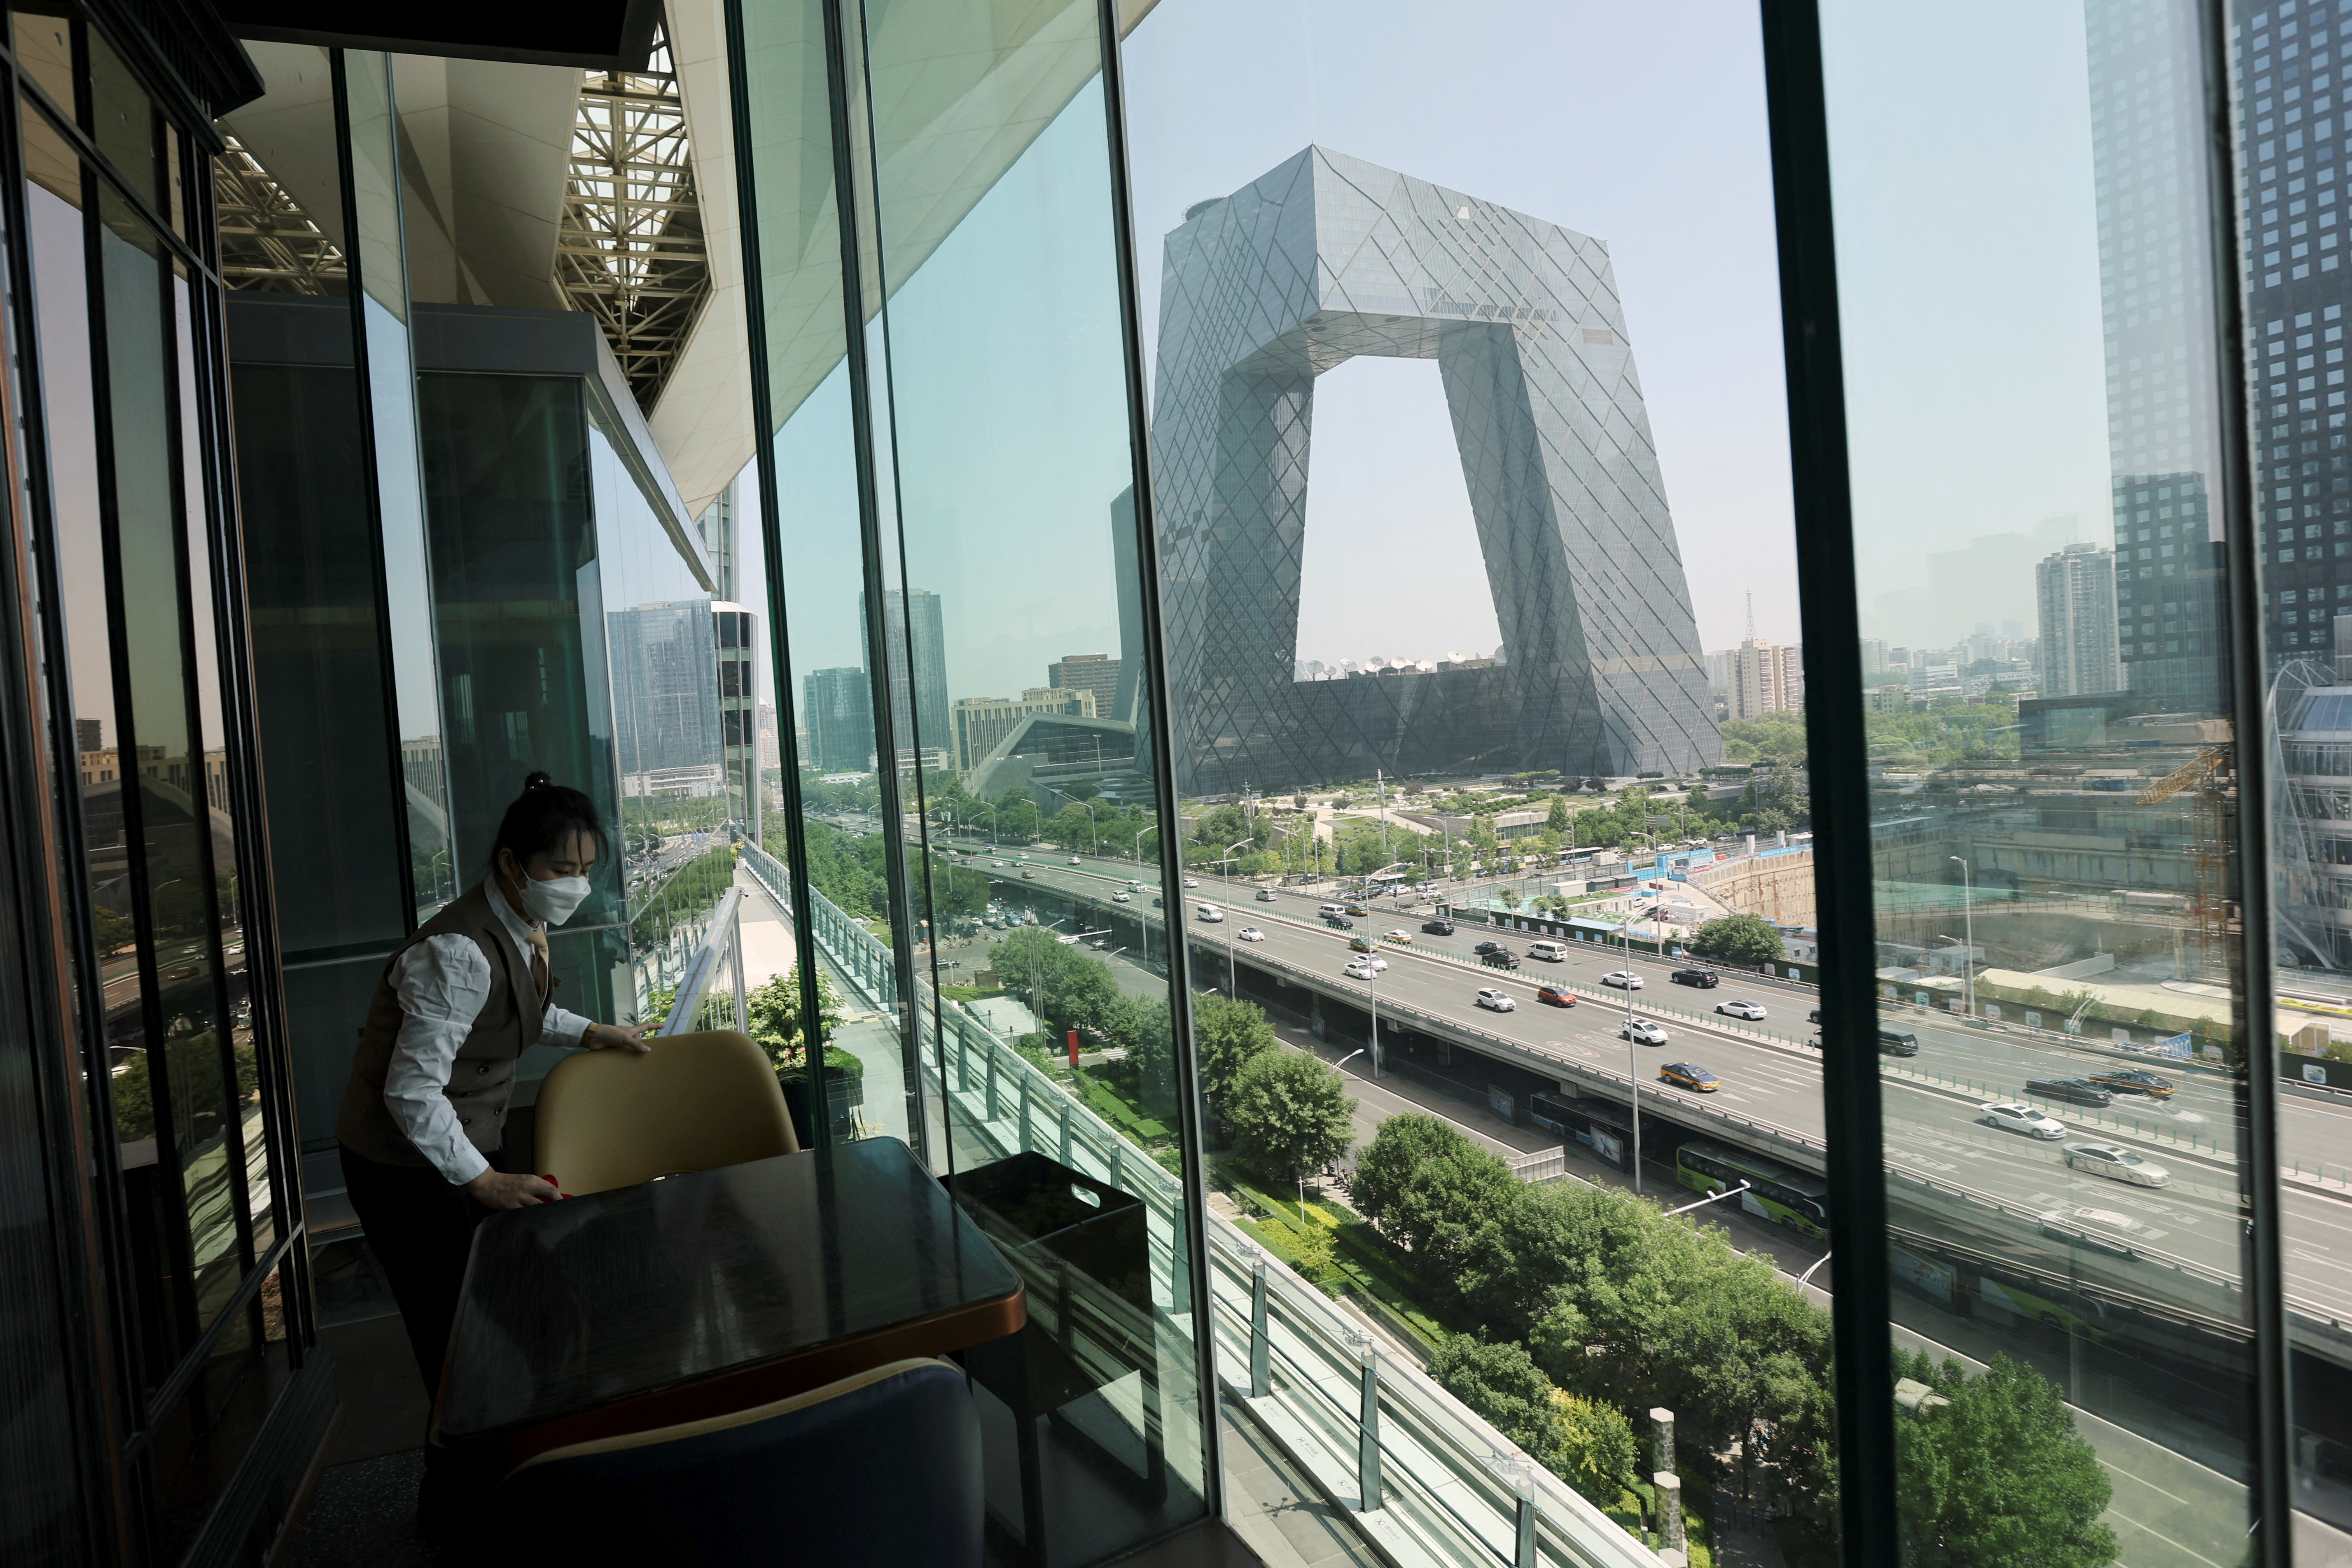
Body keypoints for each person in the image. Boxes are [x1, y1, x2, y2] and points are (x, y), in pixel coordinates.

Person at [335, 772, 651, 1518]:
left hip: (462, 1148)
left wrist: (594, 1032)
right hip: (401, 1168)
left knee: (529, 1304)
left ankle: (531, 1458)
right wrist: (484, 1183)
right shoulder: (457, 952)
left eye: (584, 869)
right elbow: (411, 1093)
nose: (574, 886)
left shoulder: (515, 925)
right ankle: (454, 1502)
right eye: (560, 869)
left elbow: (519, 1011)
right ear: (515, 865)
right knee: (450, 1337)